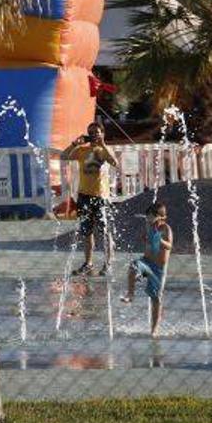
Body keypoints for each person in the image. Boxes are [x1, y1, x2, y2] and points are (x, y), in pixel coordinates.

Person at [62, 122, 119, 276]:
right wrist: (75, 143)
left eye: (97, 132)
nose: (94, 134)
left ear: (102, 133)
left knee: (105, 231)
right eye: (91, 132)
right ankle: (88, 263)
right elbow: (63, 156)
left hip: (101, 196)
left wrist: (103, 144)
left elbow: (114, 162)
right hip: (84, 195)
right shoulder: (82, 150)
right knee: (87, 232)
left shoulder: (104, 150)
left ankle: (108, 264)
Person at [120, 202, 173, 336]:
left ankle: (154, 329)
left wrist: (160, 241)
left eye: (150, 217)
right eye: (147, 216)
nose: (148, 219)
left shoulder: (166, 229)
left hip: (158, 268)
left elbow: (169, 246)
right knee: (133, 266)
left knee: (156, 298)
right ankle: (130, 294)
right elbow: (146, 240)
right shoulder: (149, 227)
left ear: (160, 217)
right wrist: (145, 238)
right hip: (146, 262)